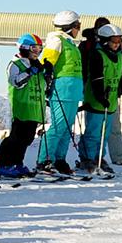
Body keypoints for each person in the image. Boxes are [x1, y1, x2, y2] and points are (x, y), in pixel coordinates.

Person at [0, 34, 47, 179]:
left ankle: (17, 163)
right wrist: (30, 72)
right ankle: (3, 164)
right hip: (21, 106)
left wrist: (47, 74)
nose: (37, 52)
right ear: (24, 48)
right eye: (34, 48)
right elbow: (16, 82)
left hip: (35, 108)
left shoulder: (36, 65)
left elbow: (44, 87)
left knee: (27, 139)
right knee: (17, 137)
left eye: (39, 49)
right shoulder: (16, 64)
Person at [39, 10, 84, 175]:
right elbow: (47, 59)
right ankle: (44, 160)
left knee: (67, 127)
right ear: (69, 27)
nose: (78, 29)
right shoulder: (56, 39)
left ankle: (59, 159)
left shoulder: (70, 43)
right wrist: (48, 67)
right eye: (77, 26)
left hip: (73, 91)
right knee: (58, 127)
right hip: (62, 89)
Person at [79, 23, 122, 174]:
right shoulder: (97, 54)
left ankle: (99, 157)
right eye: (114, 41)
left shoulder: (119, 54)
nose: (117, 44)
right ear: (105, 40)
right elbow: (96, 78)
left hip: (111, 100)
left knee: (105, 133)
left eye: (119, 41)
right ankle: (87, 157)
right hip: (97, 100)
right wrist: (100, 96)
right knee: (93, 132)